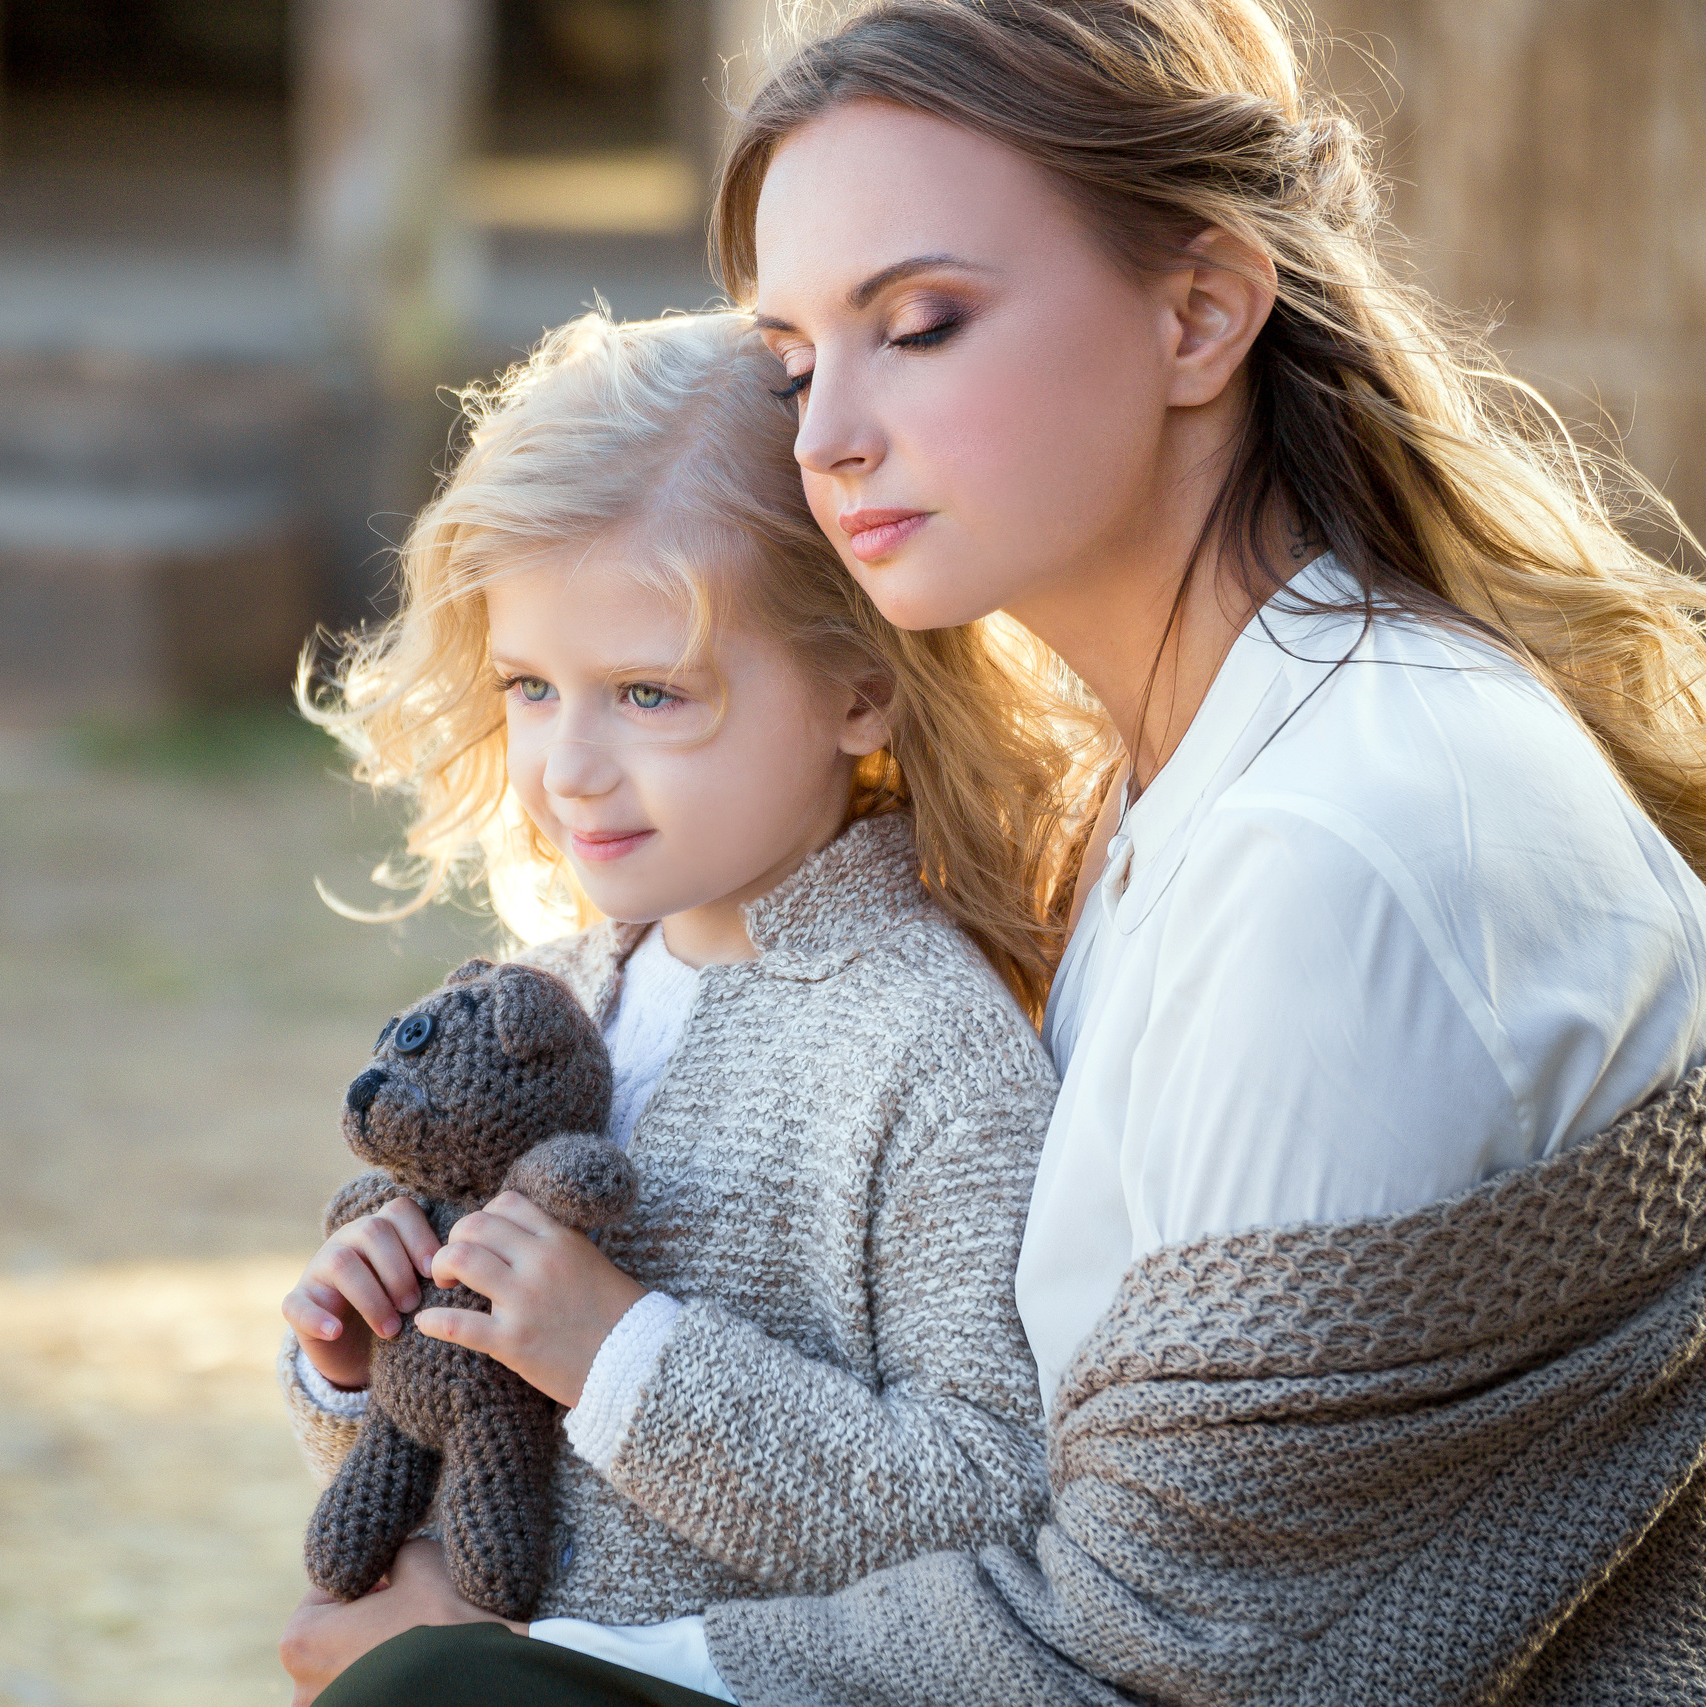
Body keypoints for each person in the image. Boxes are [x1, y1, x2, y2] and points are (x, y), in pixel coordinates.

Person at [290, 2, 1706, 1703]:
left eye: (924, 325)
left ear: (1199, 313)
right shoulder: (1183, 770)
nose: (824, 441)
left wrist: (522, 1654)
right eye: (800, 362)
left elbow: (1189, 1641)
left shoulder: (1334, 840)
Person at [280, 306, 1074, 1703]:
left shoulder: (928, 1049)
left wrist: (620, 1351)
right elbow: (482, 1472)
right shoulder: (563, 996)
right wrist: (361, 1369)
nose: (569, 767)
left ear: (861, 690)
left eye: (649, 692)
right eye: (531, 686)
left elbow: (993, 1496)